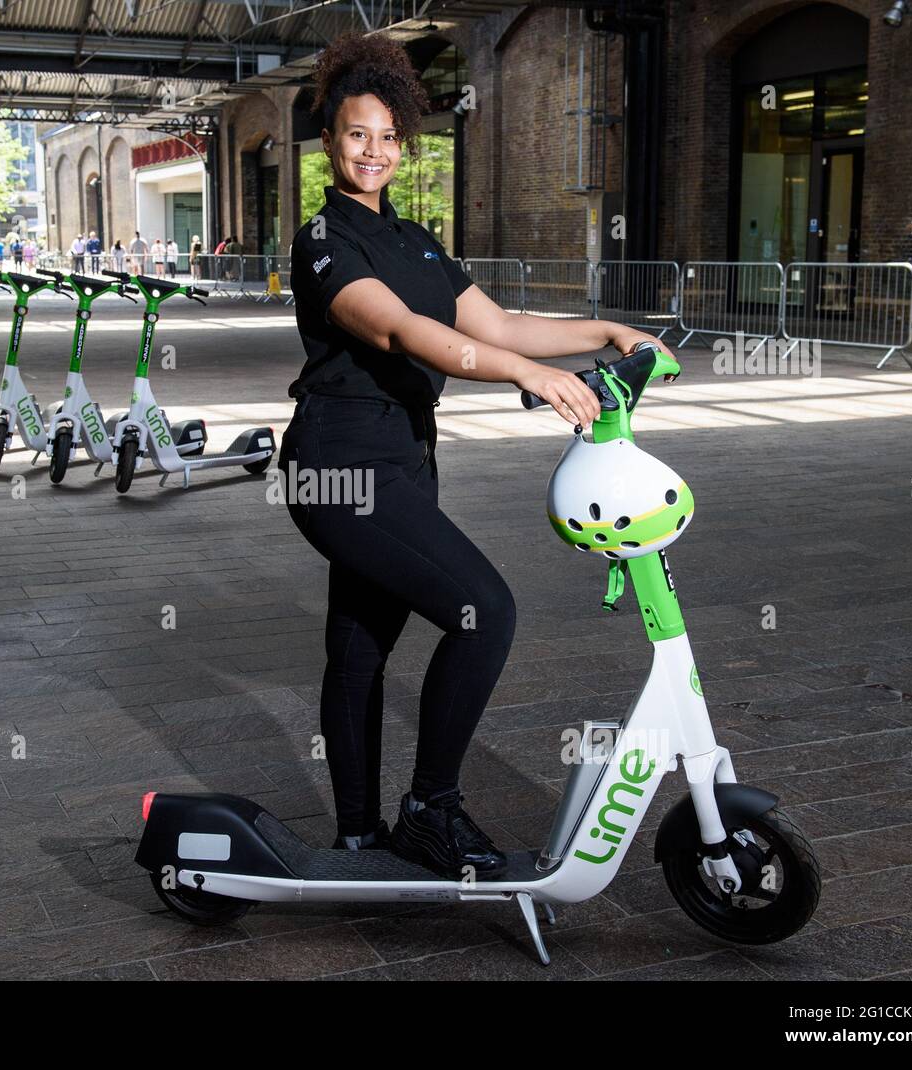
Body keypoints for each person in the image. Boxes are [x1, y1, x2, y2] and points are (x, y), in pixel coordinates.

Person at [279, 32, 667, 878]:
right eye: (356, 134)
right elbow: (402, 331)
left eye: (387, 136)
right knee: (482, 610)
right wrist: (526, 375)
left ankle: (357, 839)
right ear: (330, 142)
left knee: (359, 647)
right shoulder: (322, 241)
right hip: (339, 462)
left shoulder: (417, 240)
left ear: (402, 144)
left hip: (404, 457)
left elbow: (494, 326)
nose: (373, 150)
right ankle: (431, 808)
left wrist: (599, 329)